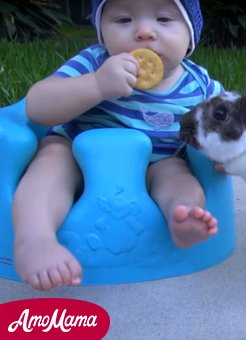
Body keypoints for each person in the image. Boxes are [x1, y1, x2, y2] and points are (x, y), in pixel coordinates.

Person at [12, 0, 220, 291]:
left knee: (178, 176)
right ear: (101, 32)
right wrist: (96, 85)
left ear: (190, 36)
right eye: (123, 20)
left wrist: (226, 156)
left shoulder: (200, 86)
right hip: (76, 155)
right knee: (51, 158)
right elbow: (36, 106)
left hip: (158, 163)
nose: (144, 32)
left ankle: (183, 218)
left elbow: (231, 126)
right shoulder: (94, 63)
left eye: (163, 19)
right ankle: (35, 238)